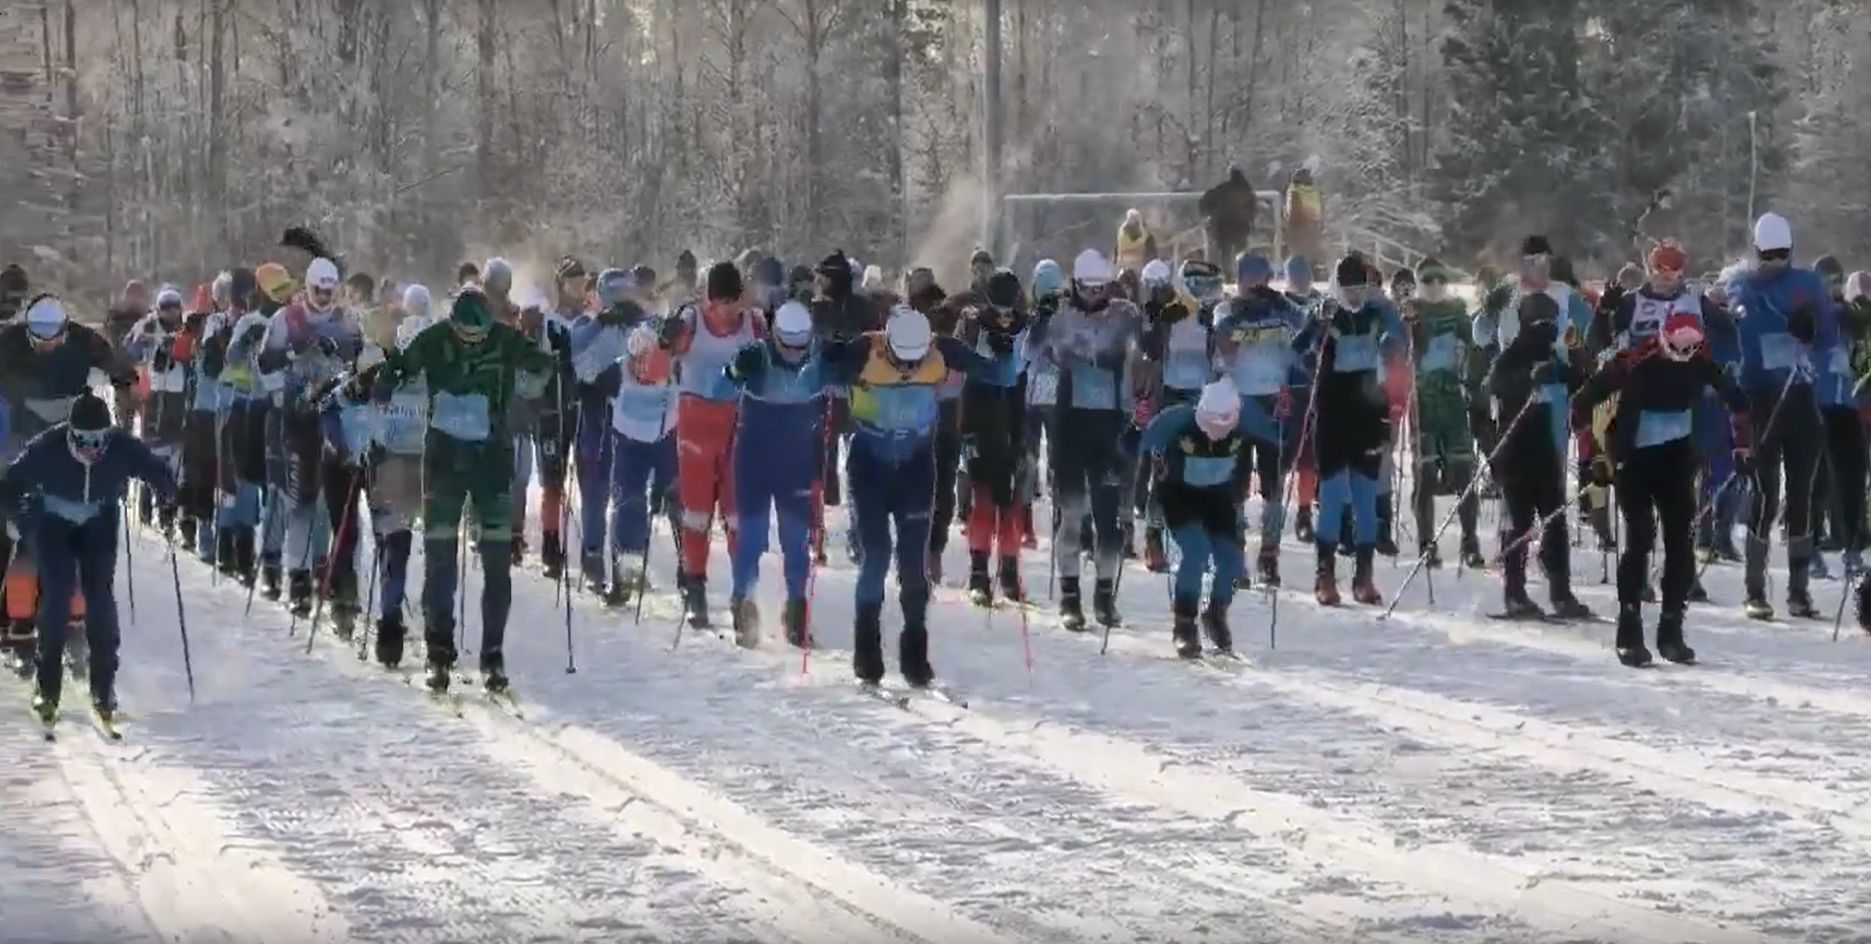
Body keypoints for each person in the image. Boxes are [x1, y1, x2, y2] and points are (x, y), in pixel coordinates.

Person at [371, 286, 554, 693]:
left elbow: (541, 368)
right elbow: (400, 365)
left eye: (479, 336)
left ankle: (493, 653)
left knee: (495, 561)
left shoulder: (506, 340)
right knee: (440, 557)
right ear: (452, 322)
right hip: (444, 463)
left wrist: (542, 373)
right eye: (464, 335)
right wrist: (384, 383)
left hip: (491, 462)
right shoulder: (433, 339)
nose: (471, 342)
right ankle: (439, 650)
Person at [1573, 313, 1747, 667]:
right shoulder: (1634, 363)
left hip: (1677, 463)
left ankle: (1671, 628)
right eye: (1676, 347)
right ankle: (1629, 627)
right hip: (1634, 461)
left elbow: (1738, 401)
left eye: (1690, 348)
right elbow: (1582, 404)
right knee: (1639, 538)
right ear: (1662, 338)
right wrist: (1595, 457)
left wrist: (1743, 446)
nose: (1682, 355)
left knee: (1680, 543)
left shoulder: (1699, 363)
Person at [0, 392, 176, 725]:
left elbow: (154, 468)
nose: (92, 448)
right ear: (69, 433)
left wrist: (168, 494)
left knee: (99, 598)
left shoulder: (121, 447)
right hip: (53, 521)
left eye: (99, 440)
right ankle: (48, 686)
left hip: (98, 520)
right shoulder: (46, 447)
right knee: (58, 594)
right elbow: (11, 482)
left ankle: (104, 688)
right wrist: (20, 517)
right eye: (83, 439)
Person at [0, 295, 136, 662]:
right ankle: (19, 619)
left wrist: (124, 386)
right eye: (39, 336)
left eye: (54, 336)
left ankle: (75, 616)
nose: (47, 343)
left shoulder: (83, 340)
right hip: (21, 440)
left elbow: (119, 369)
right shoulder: (8, 342)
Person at [1035, 249, 1144, 629]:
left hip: (1109, 431)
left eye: (1102, 287)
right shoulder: (1060, 317)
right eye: (1087, 287)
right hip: (1070, 428)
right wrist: (1038, 321)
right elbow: (1031, 354)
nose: (1095, 294)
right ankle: (1069, 597)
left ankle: (1103, 595)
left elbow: (1150, 346)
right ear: (1075, 284)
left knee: (1108, 520)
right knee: (1072, 515)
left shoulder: (1125, 316)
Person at [1731, 213, 1829, 619]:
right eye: (1768, 255)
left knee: (1802, 494)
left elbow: (1829, 334)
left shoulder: (1808, 284)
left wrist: (1815, 329)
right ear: (1756, 253)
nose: (1775, 262)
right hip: (1763, 400)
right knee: (1765, 492)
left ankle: (1799, 590)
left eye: (1781, 255)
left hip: (1803, 399)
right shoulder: (1744, 285)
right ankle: (1755, 589)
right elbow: (1740, 333)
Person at [255, 257, 361, 617]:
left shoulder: (346, 319)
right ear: (308, 287)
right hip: (298, 420)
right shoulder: (286, 319)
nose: (324, 298)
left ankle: (339, 577)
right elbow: (264, 363)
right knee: (301, 502)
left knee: (339, 506)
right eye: (319, 291)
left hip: (337, 421)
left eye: (330, 292)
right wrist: (285, 376)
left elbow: (364, 359)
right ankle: (297, 577)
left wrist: (345, 354)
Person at [1293, 257, 1402, 605]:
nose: (1354, 297)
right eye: (1348, 289)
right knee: (1334, 496)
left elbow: (1399, 338)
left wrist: (1398, 327)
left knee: (1366, 499)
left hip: (1369, 413)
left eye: (1360, 289)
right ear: (1337, 286)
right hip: (1333, 413)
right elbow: (1296, 349)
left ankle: (1364, 576)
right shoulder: (1324, 311)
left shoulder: (1375, 311)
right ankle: (1324, 575)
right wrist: (1315, 326)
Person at [661, 261, 764, 627]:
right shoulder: (693, 320)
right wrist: (665, 336)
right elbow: (665, 349)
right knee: (697, 514)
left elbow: (771, 362)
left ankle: (744, 596)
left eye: (732, 302)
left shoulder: (754, 323)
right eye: (719, 303)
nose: (726, 311)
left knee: (738, 517)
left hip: (738, 424)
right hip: (695, 425)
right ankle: (695, 587)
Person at [721, 301, 829, 647]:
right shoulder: (756, 355)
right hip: (754, 460)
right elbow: (718, 388)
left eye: (801, 347)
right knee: (751, 538)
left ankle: (796, 613)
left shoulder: (819, 357)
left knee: (796, 542)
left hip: (796, 461)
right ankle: (743, 604)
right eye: (788, 347)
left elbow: (846, 385)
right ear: (774, 336)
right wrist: (734, 372)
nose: (795, 355)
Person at [1141, 378, 1267, 658]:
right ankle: (1184, 623)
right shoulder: (1175, 421)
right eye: (1210, 424)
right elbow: (1135, 441)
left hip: (1218, 499)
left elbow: (1277, 435)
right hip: (1179, 496)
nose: (1216, 433)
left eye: (1224, 426)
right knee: (1195, 552)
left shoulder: (1249, 417)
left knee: (1233, 563)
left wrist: (1286, 424)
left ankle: (1217, 612)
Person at [1487, 292, 1591, 620]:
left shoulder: (1553, 355)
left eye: (1551, 323)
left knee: (1555, 519)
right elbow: (1497, 387)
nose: (1546, 330)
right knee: (1518, 523)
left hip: (1545, 448)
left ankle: (1561, 591)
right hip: (1515, 450)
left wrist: (1575, 357)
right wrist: (1527, 380)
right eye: (1540, 323)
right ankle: (1514, 592)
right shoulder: (1510, 357)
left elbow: (1583, 382)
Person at [1212, 255, 1305, 586]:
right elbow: (1224, 346)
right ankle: (1236, 555)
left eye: (1261, 278)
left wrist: (1281, 304)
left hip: (1273, 403)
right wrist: (1243, 313)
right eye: (1249, 278)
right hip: (1238, 403)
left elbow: (1304, 329)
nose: (1256, 285)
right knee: (1235, 486)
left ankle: (1269, 554)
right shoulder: (1226, 310)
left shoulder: (1281, 309)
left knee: (1273, 483)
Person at [358, 285, 435, 668]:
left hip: (412, 464)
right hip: (395, 463)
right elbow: (370, 411)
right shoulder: (385, 371)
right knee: (397, 545)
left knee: (399, 545)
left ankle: (395, 624)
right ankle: (391, 623)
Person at [954, 270, 1031, 606]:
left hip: (1013, 413)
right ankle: (978, 572)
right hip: (978, 414)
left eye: (1008, 310)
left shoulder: (1024, 326)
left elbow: (1034, 362)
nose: (1003, 317)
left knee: (1013, 501)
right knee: (982, 500)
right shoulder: (972, 324)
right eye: (997, 310)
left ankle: (1010, 570)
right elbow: (957, 364)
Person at [1403, 258, 1485, 569]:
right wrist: (1409, 331)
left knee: (1463, 471)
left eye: (1440, 279)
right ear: (1419, 282)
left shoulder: (1457, 310)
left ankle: (1470, 541)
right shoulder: (1410, 311)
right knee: (1424, 476)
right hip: (1422, 403)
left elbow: (1474, 344)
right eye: (1428, 280)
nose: (1435, 285)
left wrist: (1475, 384)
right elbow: (1397, 350)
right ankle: (1427, 542)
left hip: (1452, 400)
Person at [123, 286, 191, 534]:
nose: (171, 313)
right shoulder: (147, 327)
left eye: (175, 308)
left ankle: (166, 510)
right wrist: (147, 352)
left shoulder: (186, 329)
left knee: (173, 457)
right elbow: (128, 351)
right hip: (152, 397)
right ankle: (144, 507)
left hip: (177, 398)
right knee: (151, 452)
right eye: (167, 308)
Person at [1021, 260, 1066, 550]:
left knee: (1058, 463)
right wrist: (1037, 324)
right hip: (1031, 396)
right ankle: (1024, 522)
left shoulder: (1068, 318)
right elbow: (1024, 352)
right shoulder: (1028, 317)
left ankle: (1062, 521)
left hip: (1058, 395)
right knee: (1028, 460)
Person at [1199, 165, 1258, 268]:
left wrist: (1207, 214)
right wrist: (1251, 222)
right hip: (1240, 227)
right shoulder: (1247, 191)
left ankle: (1227, 275)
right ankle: (1241, 272)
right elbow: (1252, 209)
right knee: (1240, 250)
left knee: (1224, 252)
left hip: (1222, 226)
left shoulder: (1222, 189)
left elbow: (1204, 201)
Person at [1114, 209, 1159, 274]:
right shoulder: (1125, 230)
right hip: (1129, 262)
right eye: (1136, 219)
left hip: (1135, 261)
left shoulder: (1131, 229)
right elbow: (1142, 239)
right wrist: (1141, 225)